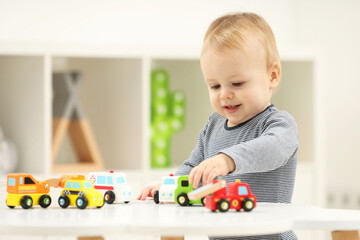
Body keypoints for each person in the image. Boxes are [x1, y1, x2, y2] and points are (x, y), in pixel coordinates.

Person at [138, 12, 298, 240]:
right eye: (214, 86)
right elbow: (194, 166)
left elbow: (270, 149)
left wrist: (226, 160)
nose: (225, 94)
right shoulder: (213, 125)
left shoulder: (279, 125)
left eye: (237, 83)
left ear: (272, 76)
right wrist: (170, 186)